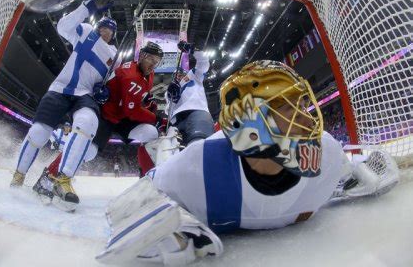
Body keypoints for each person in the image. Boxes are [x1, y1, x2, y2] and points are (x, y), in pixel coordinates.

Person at [97, 60, 399, 265]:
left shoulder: (329, 154)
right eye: (289, 108)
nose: (307, 118)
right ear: (252, 123)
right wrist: (173, 228)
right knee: (172, 152)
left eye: (302, 105)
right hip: (203, 149)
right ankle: (164, 143)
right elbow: (133, 201)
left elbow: (369, 167)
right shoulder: (198, 167)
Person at [10, 0, 122, 205]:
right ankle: (19, 175)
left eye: (109, 29)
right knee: (39, 132)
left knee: (88, 121)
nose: (105, 31)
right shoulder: (87, 31)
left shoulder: (113, 57)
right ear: (98, 26)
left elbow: (110, 84)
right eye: (103, 26)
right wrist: (89, 6)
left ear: (114, 34)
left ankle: (63, 178)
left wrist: (104, 91)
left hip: (84, 95)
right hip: (61, 89)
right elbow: (63, 27)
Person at [32, 42, 165, 210]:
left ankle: (148, 182)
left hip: (122, 116)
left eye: (157, 60)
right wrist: (157, 118)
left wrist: (146, 101)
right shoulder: (131, 75)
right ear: (142, 56)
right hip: (107, 116)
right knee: (89, 152)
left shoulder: (149, 74)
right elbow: (131, 110)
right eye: (151, 58)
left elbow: (133, 98)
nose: (154, 63)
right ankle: (49, 178)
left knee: (151, 134)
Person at [165, 42, 215, 146]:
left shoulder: (193, 75)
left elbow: (203, 62)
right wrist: (172, 98)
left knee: (199, 146)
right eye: (176, 75)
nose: (179, 76)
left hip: (197, 112)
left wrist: (192, 49)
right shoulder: (170, 90)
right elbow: (167, 109)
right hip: (177, 120)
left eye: (181, 74)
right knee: (178, 155)